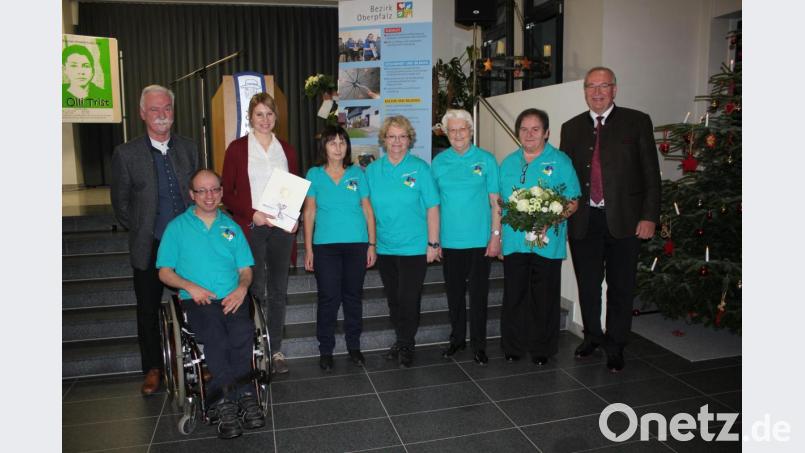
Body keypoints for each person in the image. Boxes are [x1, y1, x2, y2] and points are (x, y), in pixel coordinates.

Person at [560, 67, 661, 372]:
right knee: (588, 285)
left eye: (604, 86)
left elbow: (651, 175)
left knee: (621, 286)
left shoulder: (637, 121)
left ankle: (616, 344)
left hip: (626, 221)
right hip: (584, 221)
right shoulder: (571, 128)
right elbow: (565, 179)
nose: (597, 92)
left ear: (614, 89)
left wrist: (649, 217)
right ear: (585, 91)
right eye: (591, 86)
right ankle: (592, 336)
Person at [156, 169, 263, 440]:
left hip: (232, 297)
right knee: (216, 335)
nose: (209, 195)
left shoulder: (231, 227)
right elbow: (164, 272)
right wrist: (190, 287)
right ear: (191, 194)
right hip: (198, 300)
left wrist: (242, 288)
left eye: (214, 189)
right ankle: (225, 399)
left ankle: (244, 394)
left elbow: (245, 269)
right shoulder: (177, 228)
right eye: (202, 190)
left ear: (222, 192)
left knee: (243, 332)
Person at [111, 85, 199, 395]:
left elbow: (199, 191)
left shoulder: (189, 148)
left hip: (187, 244)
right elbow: (120, 204)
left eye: (166, 108)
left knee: (195, 302)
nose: (161, 114)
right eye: (154, 109)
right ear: (142, 113)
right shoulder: (126, 154)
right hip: (148, 245)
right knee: (147, 309)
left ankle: (199, 360)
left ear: (173, 112)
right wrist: (141, 229)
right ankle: (153, 368)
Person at [221, 92, 299, 375]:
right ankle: (254, 347)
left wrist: (294, 218)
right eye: (259, 114)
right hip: (252, 227)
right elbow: (227, 194)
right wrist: (251, 212)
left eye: (269, 114)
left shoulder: (286, 150)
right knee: (255, 288)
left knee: (278, 291)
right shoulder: (237, 149)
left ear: (275, 116)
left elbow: (296, 188)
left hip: (281, 230)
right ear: (250, 118)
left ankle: (274, 349)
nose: (265, 120)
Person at [499, 108, 580, 366]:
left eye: (535, 129)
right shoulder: (508, 162)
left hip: (547, 242)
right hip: (514, 241)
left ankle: (542, 348)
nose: (529, 134)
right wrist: (497, 236)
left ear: (546, 133)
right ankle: (513, 345)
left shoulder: (560, 161)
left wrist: (549, 221)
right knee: (514, 296)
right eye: (524, 129)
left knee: (544, 297)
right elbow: (500, 202)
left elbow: (573, 201)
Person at [365, 115, 440, 368]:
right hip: (385, 246)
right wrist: (369, 243)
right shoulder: (373, 171)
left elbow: (432, 207)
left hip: (414, 247)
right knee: (394, 299)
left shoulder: (420, 168)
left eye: (402, 137)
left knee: (409, 298)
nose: (397, 142)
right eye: (392, 136)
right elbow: (365, 208)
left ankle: (407, 343)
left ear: (409, 140)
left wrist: (433, 243)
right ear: (384, 140)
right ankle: (401, 338)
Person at [302, 126, 377, 371]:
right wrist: (309, 249)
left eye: (342, 142)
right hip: (325, 247)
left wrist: (372, 244)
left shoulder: (357, 173)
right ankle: (326, 349)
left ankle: (354, 346)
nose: (338, 147)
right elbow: (309, 213)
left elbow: (367, 210)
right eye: (332, 142)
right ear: (324, 146)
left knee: (353, 297)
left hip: (356, 244)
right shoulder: (314, 174)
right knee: (328, 298)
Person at [431, 109, 501, 366]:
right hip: (450, 241)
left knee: (479, 296)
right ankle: (457, 339)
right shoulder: (438, 163)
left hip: (480, 241)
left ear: (471, 131)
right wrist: (435, 240)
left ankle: (479, 345)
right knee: (454, 295)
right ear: (446, 133)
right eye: (452, 130)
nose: (458, 134)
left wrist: (496, 236)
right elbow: (434, 206)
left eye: (462, 129)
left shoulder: (486, 159)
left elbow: (496, 203)